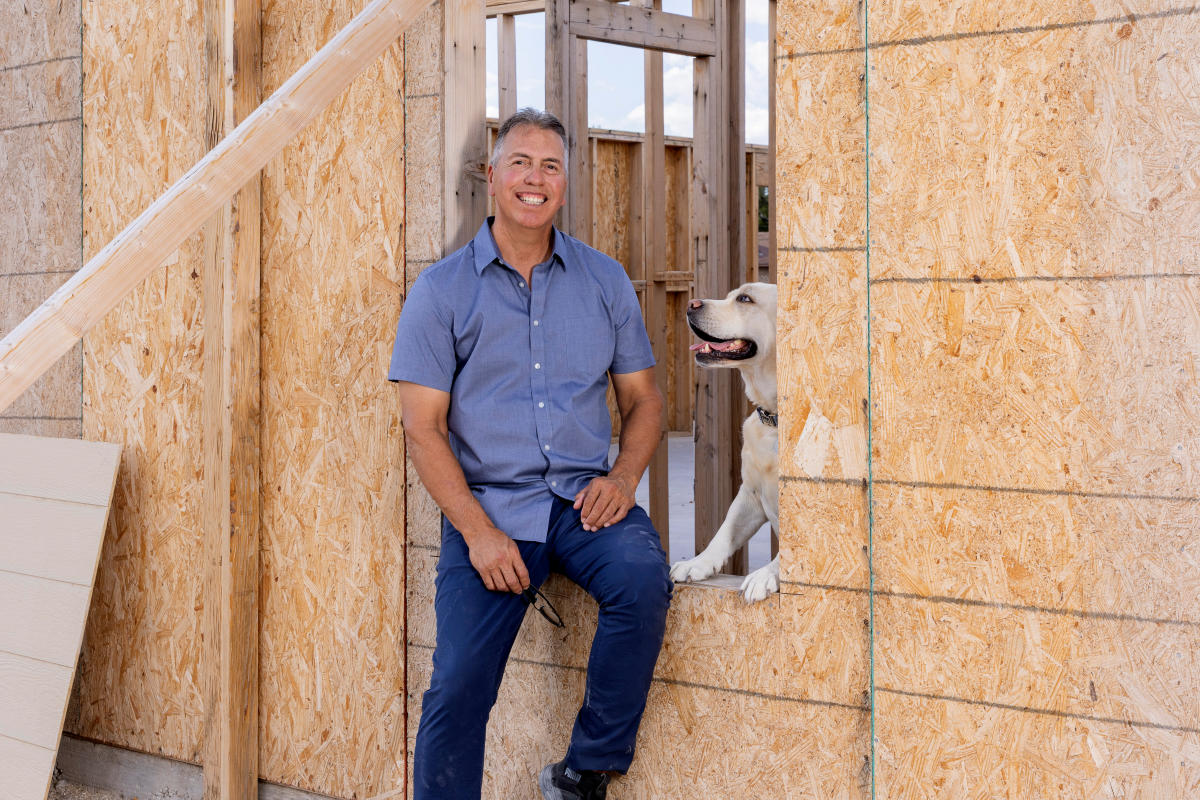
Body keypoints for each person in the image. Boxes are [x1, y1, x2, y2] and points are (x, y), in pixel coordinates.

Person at [389, 107, 673, 800]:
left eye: (550, 166)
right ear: (493, 176)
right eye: (520, 162)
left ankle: (583, 773)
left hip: (584, 501)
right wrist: (478, 535)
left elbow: (645, 401)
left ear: (565, 185)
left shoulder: (605, 282)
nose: (534, 179)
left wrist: (625, 476)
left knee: (642, 580)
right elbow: (422, 429)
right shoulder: (441, 291)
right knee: (456, 683)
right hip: (491, 509)